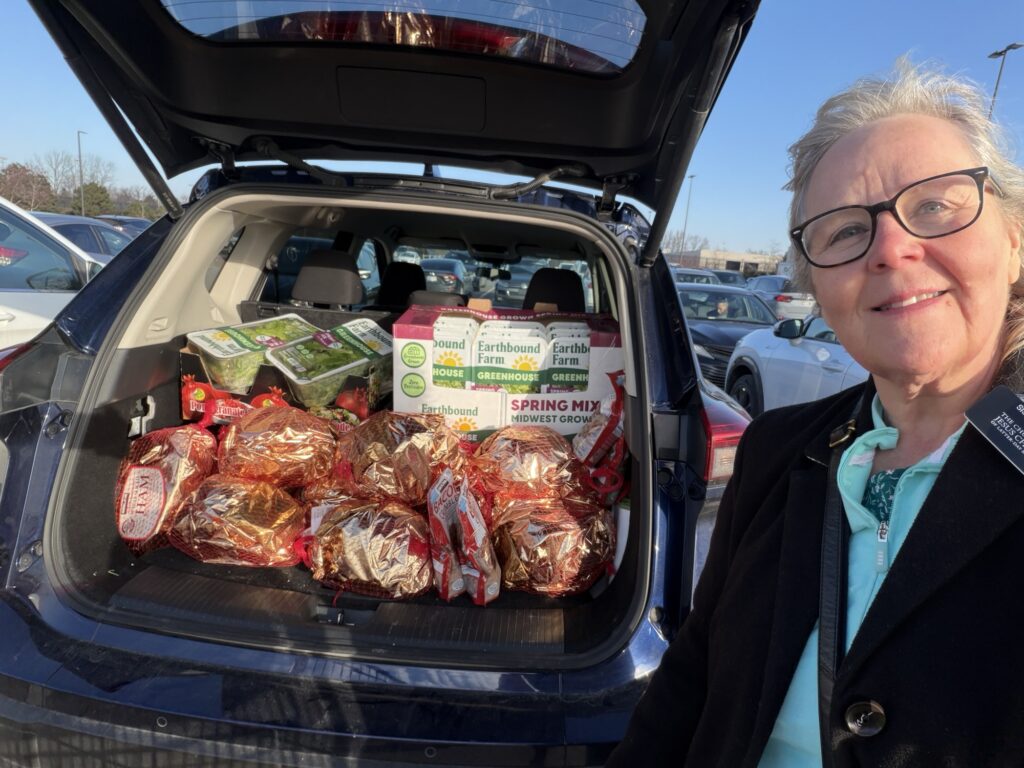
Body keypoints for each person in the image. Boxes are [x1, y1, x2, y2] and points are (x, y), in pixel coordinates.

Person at [607, 61, 1024, 767]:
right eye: (844, 231)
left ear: (1014, 241)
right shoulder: (775, 450)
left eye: (934, 206)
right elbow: (688, 684)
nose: (891, 249)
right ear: (816, 288)